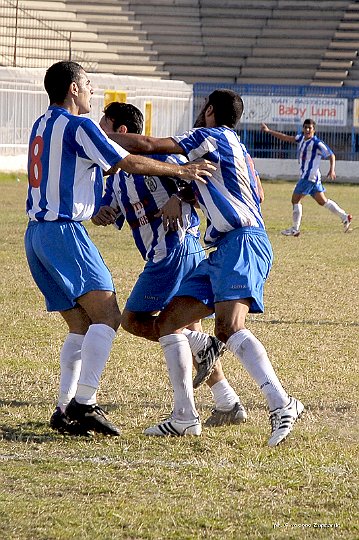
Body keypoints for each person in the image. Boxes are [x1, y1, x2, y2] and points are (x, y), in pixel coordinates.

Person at [24, 61, 214, 437]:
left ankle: (63, 408)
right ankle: (85, 404)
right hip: (63, 232)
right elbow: (126, 161)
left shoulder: (41, 124)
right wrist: (181, 172)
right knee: (110, 316)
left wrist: (97, 207)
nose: (93, 91)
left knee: (81, 323)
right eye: (89, 84)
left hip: (36, 236)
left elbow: (79, 175)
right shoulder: (80, 125)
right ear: (74, 89)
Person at [108, 89, 304, 447]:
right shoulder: (236, 148)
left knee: (229, 327)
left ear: (210, 110)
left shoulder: (209, 136)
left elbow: (151, 144)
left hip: (242, 240)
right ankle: (184, 417)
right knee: (168, 322)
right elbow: (229, 189)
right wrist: (182, 196)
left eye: (203, 109)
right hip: (221, 248)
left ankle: (282, 403)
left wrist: (99, 136)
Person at [92, 101, 248, 427]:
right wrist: (101, 213)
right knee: (186, 324)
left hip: (173, 249)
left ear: (121, 131)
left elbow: (195, 174)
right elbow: (110, 209)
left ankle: (186, 411)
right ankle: (226, 400)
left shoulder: (161, 158)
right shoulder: (118, 173)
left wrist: (179, 196)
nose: (99, 130)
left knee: (134, 320)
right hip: (174, 252)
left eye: (103, 124)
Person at [261, 119, 352, 236]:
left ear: (314, 130)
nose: (307, 130)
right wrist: (269, 131)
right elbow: (286, 137)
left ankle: (295, 229)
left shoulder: (316, 143)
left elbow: (331, 155)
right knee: (323, 201)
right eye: (305, 127)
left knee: (295, 200)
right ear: (303, 128)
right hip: (313, 178)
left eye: (310, 128)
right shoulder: (301, 139)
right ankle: (345, 217)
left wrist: (332, 169)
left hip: (309, 177)